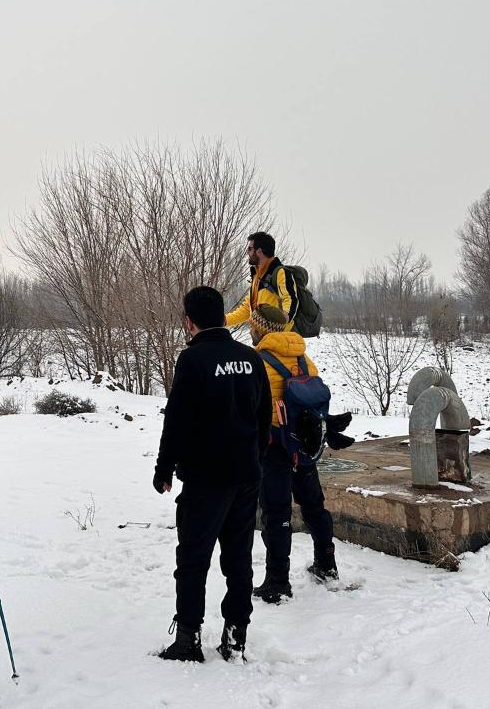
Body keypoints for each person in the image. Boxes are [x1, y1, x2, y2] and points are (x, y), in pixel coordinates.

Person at [153, 287, 272, 663]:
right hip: (246, 476)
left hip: (206, 480)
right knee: (239, 560)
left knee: (193, 558)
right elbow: (264, 417)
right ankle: (236, 637)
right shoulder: (250, 358)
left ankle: (188, 640)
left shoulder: (193, 360)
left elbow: (177, 421)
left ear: (189, 322)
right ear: (223, 317)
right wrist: (254, 458)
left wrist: (163, 468)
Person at [249, 304, 338, 604]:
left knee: (276, 514)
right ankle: (327, 564)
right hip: (303, 446)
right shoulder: (304, 359)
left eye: (253, 326)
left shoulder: (258, 362)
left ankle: (277, 582)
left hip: (274, 447)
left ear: (259, 329)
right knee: (314, 507)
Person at [224, 231, 295, 332]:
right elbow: (247, 309)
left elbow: (290, 300)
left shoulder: (280, 273)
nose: (247, 252)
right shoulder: (257, 277)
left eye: (249, 249)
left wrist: (279, 325)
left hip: (278, 337)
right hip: (262, 337)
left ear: (259, 251)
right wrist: (222, 321)